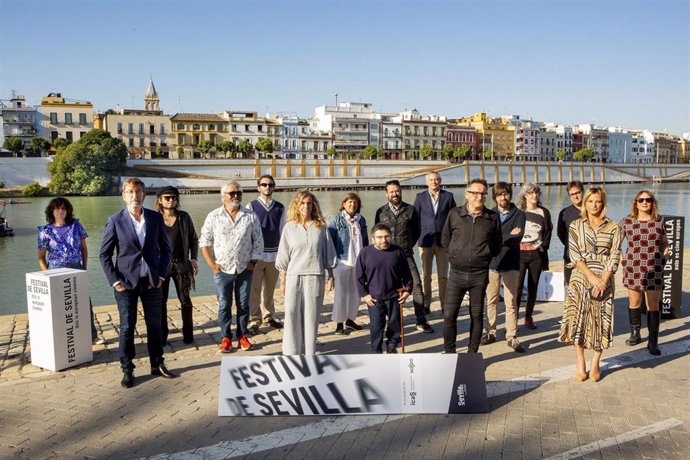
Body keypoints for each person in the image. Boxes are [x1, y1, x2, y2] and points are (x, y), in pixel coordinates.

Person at [100, 178, 176, 388]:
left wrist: (161, 276)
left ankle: (157, 363)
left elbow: (166, 249)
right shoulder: (115, 221)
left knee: (155, 325)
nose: (135, 196)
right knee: (126, 327)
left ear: (144, 195)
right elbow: (104, 255)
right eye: (130, 192)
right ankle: (127, 369)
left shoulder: (154, 218)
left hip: (151, 282)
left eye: (138, 191)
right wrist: (115, 281)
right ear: (124, 195)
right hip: (126, 284)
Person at [559, 187, 622, 382]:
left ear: (603, 203)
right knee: (578, 319)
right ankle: (580, 361)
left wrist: (603, 279)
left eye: (598, 201)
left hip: (605, 276)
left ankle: (596, 362)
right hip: (581, 276)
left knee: (601, 320)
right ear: (585, 203)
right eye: (590, 201)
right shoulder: (576, 225)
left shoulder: (614, 227)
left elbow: (615, 255)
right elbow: (574, 254)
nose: (594, 205)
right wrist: (591, 277)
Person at [199, 181, 263, 353]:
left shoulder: (250, 216)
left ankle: (242, 335)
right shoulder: (213, 216)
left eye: (239, 193)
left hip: (244, 269)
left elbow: (258, 241)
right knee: (224, 305)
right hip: (222, 270)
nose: (236, 196)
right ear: (223, 196)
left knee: (243, 304)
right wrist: (212, 264)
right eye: (232, 193)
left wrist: (253, 262)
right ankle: (225, 337)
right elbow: (204, 241)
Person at [442, 178, 502, 353]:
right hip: (456, 273)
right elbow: (445, 239)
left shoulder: (492, 217)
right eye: (475, 193)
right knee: (449, 315)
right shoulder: (455, 214)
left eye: (483, 193)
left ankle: (472, 353)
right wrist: (454, 255)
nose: (479, 197)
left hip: (479, 274)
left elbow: (497, 245)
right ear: (467, 194)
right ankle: (450, 352)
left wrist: (483, 256)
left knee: (476, 315)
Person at [276, 191, 337, 355]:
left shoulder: (320, 227)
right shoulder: (289, 228)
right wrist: (282, 282)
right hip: (294, 277)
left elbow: (328, 253)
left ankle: (310, 352)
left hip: (315, 276)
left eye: (309, 203)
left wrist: (330, 276)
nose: (306, 206)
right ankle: (291, 352)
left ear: (313, 205)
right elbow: (283, 256)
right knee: (291, 314)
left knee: (311, 316)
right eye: (302, 203)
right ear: (296, 205)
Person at [38, 197, 101, 345]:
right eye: (57, 208)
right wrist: (47, 274)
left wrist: (84, 268)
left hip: (76, 267)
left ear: (68, 211)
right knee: (59, 305)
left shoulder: (76, 226)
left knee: (84, 303)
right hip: (55, 271)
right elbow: (41, 257)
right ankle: (60, 338)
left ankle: (92, 336)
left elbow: (84, 249)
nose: (60, 211)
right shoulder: (44, 231)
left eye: (63, 208)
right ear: (51, 211)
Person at [375, 180, 432, 333]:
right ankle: (393, 322)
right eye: (392, 191)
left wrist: (407, 245)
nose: (395, 194)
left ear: (401, 191)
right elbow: (377, 234)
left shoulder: (411, 210)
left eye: (397, 191)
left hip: (406, 255)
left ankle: (421, 319)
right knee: (388, 289)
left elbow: (416, 231)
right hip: (386, 257)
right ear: (386, 193)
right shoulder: (381, 212)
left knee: (417, 285)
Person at [620, 190, 670, 355]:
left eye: (648, 200)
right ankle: (635, 333)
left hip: (653, 268)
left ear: (653, 202)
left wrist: (664, 257)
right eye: (641, 200)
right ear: (635, 202)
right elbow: (614, 242)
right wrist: (622, 259)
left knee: (653, 305)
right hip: (632, 267)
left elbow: (665, 243)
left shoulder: (659, 221)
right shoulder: (627, 221)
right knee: (634, 302)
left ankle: (653, 340)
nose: (644, 202)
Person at [482, 182, 526, 353]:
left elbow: (518, 237)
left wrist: (500, 238)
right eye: (500, 194)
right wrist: (507, 235)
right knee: (491, 300)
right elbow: (487, 238)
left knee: (511, 302)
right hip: (492, 263)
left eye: (506, 194)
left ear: (510, 195)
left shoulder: (519, 214)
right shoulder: (490, 214)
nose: (503, 197)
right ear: (495, 197)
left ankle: (512, 336)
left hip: (511, 263)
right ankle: (491, 332)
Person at [356, 223, 412, 354]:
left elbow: (407, 274)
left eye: (387, 236)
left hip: (394, 297)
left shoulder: (397, 251)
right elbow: (359, 277)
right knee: (376, 328)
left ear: (391, 237)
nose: (384, 240)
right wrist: (365, 294)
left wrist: (407, 290)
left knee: (395, 326)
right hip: (374, 298)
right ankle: (376, 351)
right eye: (379, 237)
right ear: (373, 239)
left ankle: (392, 347)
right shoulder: (365, 253)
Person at [156, 186, 199, 345]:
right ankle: (162, 335)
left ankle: (188, 335)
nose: (171, 200)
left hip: (181, 264)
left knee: (185, 300)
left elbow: (194, 239)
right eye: (167, 197)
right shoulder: (154, 218)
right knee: (161, 301)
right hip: (161, 266)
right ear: (160, 200)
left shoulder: (184, 217)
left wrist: (193, 258)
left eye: (174, 198)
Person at [247, 175, 285, 335]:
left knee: (270, 288)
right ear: (258, 187)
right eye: (264, 185)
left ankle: (269, 315)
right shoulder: (251, 206)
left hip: (274, 254)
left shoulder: (280, 208)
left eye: (270, 185)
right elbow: (247, 231)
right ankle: (254, 319)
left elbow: (283, 231)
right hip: (256, 255)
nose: (267, 187)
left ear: (274, 187)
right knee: (254, 289)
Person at [414, 171, 456, 315]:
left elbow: (454, 218)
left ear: (440, 180)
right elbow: (415, 219)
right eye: (431, 180)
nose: (434, 182)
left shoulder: (448, 196)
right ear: (427, 182)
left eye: (436, 179)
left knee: (443, 275)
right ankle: (426, 304)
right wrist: (416, 237)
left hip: (443, 242)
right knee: (426, 275)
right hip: (425, 240)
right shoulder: (420, 197)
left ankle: (444, 304)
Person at [327, 192, 369, 334]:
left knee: (355, 293)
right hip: (342, 261)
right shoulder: (336, 219)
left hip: (358, 262)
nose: (352, 204)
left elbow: (365, 239)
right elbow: (330, 242)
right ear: (344, 204)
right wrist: (330, 266)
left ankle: (351, 319)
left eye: (355, 202)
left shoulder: (361, 220)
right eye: (349, 202)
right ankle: (339, 324)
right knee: (341, 294)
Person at [516, 183, 553, 329]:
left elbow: (548, 232)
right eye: (531, 193)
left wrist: (542, 247)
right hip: (519, 253)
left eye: (536, 192)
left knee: (533, 286)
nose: (534, 195)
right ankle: (513, 319)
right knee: (517, 287)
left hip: (536, 254)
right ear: (524, 195)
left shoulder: (544, 212)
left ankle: (528, 317)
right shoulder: (518, 211)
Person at [557, 180, 584, 285]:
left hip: (589, 256)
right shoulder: (564, 213)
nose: (575, 196)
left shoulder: (592, 209)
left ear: (583, 192)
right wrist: (570, 245)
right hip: (570, 256)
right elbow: (561, 233)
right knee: (571, 285)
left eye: (577, 193)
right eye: (572, 194)